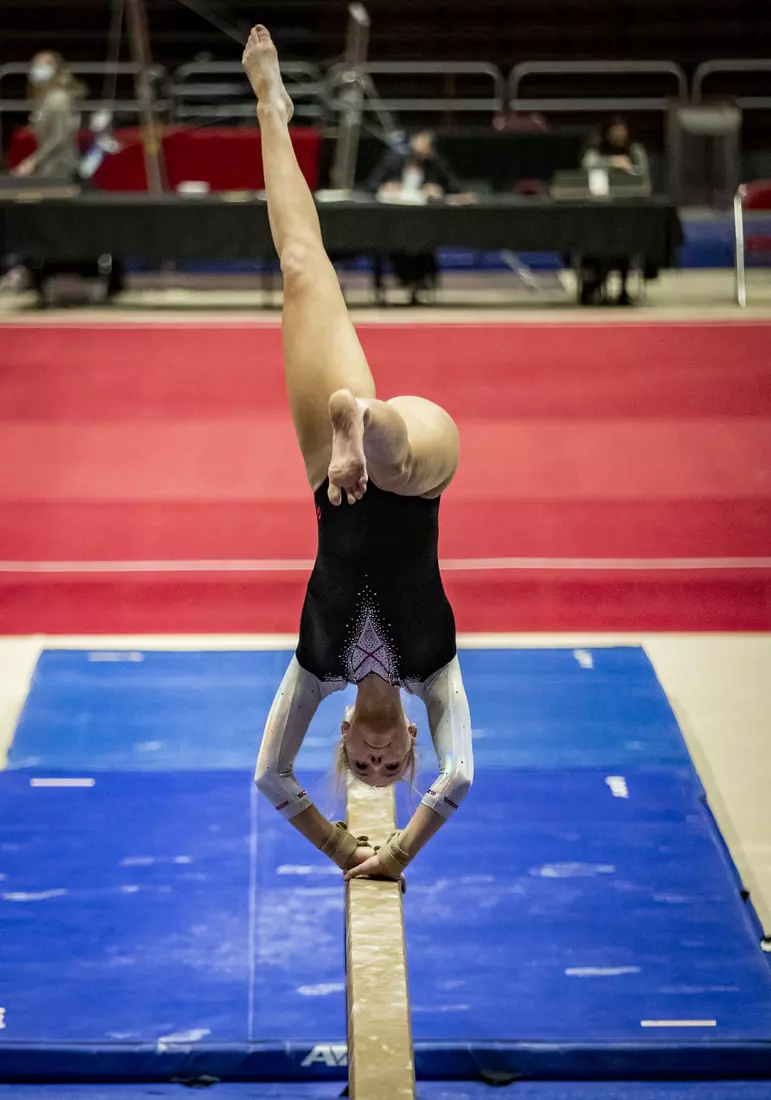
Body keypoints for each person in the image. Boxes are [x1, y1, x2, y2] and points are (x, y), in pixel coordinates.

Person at [243, 26, 473, 885]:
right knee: (399, 459)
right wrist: (397, 852)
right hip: (420, 464)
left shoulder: (315, 670)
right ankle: (363, 423)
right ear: (409, 740)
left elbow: (269, 776)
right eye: (389, 769)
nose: (377, 765)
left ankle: (271, 106)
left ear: (342, 740)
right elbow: (462, 776)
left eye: (363, 769)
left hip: (328, 475)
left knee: (302, 268)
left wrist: (344, 848)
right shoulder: (435, 676)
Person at [9, 51, 124, 306]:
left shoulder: (58, 99)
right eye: (35, 65)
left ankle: (46, 272)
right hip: (49, 171)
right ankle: (36, 273)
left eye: (43, 65)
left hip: (60, 172)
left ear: (56, 69)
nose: (37, 70)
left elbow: (59, 140)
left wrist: (33, 162)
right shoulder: (46, 99)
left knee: (54, 226)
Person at [368, 130, 462, 305]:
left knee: (421, 245)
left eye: (426, 147)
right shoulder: (393, 161)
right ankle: (403, 279)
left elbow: (454, 187)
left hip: (424, 221)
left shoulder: (435, 164)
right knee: (396, 244)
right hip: (393, 220)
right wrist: (386, 187)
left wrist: (437, 190)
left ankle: (419, 283)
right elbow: (372, 184)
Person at [578, 116, 652, 306]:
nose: (619, 135)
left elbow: (643, 176)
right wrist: (612, 162)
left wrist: (627, 167)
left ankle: (623, 289)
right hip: (597, 214)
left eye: (622, 130)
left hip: (627, 214)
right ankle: (591, 284)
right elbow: (588, 165)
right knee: (592, 245)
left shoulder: (635, 151)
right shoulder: (596, 150)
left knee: (625, 243)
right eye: (615, 131)